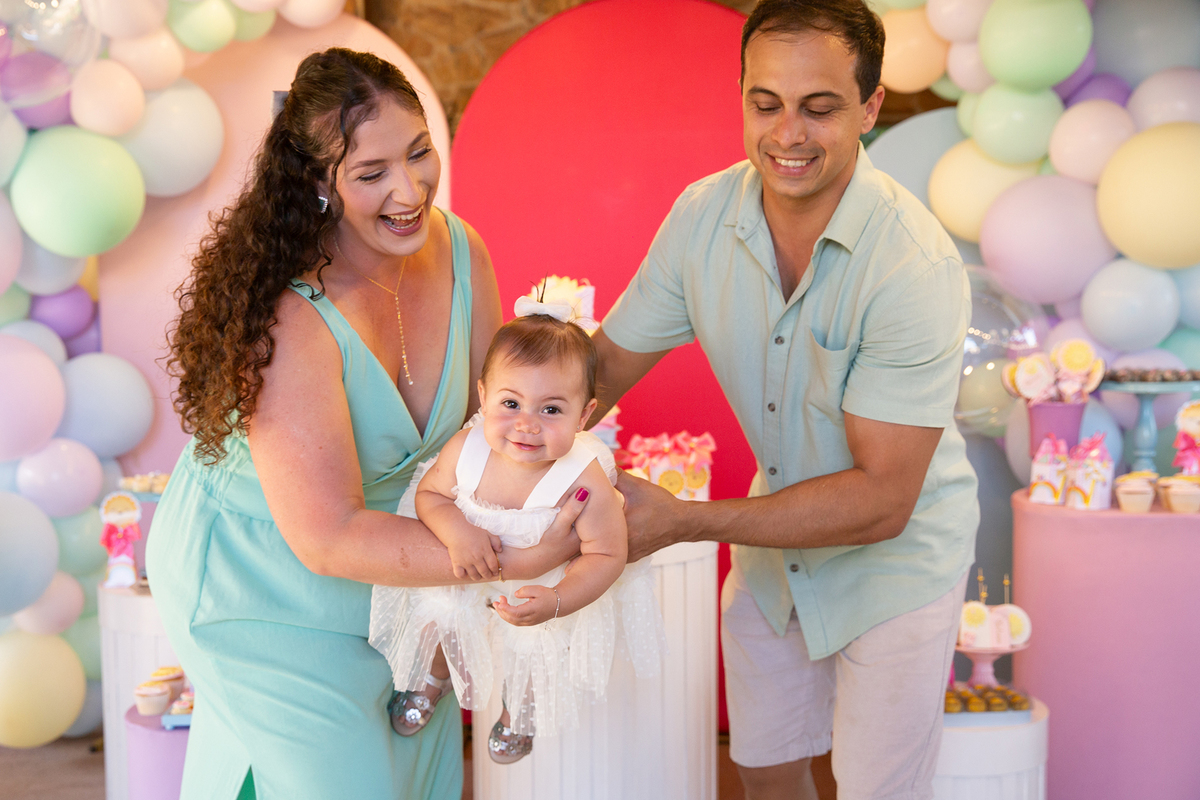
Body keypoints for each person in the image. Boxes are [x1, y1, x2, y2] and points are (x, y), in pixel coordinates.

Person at [145, 48, 587, 800]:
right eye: (371, 172)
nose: (409, 190)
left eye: (419, 154)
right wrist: (514, 560)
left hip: (402, 581)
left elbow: (487, 430)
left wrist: (566, 483)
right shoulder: (288, 315)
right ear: (319, 182)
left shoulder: (461, 251)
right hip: (261, 591)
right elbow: (329, 537)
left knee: (414, 779)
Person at [590, 2, 979, 799]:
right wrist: (493, 439)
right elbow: (598, 370)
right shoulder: (703, 217)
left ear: (870, 108)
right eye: (765, 103)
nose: (787, 135)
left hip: (896, 565)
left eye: (820, 107)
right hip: (777, 551)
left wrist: (687, 520)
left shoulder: (913, 265)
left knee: (875, 789)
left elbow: (880, 502)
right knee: (763, 771)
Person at [370, 304, 659, 765]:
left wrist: (559, 599)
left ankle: (518, 710)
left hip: (541, 586)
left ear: (584, 416)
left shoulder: (583, 481)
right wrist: (457, 529)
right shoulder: (466, 449)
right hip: (465, 562)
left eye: (551, 409)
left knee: (532, 652)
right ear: (483, 397)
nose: (527, 423)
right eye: (510, 404)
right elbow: (430, 496)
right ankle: (434, 677)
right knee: (443, 616)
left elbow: (607, 554)